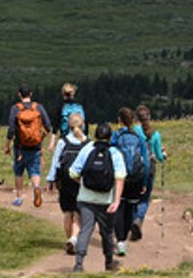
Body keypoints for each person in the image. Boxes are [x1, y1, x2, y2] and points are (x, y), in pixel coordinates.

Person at [72, 121, 127, 272]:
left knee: (86, 230)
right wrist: (116, 200)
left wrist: (83, 183)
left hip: (85, 199)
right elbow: (120, 177)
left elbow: (73, 172)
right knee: (107, 233)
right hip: (106, 200)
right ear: (110, 137)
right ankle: (109, 262)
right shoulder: (115, 153)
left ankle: (79, 263)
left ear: (95, 135)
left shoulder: (87, 150)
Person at [110, 107, 152, 255]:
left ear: (119, 120)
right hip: (136, 178)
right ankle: (125, 239)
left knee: (119, 207)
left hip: (120, 176)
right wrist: (145, 181)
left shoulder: (116, 136)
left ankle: (120, 241)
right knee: (131, 208)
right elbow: (146, 162)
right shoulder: (139, 137)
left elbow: (111, 156)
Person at [49, 108, 90, 254]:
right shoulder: (88, 143)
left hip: (65, 182)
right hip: (81, 182)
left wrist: (51, 179)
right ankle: (74, 238)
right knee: (78, 213)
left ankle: (69, 239)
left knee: (67, 212)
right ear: (83, 125)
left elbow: (56, 162)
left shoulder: (63, 142)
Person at [6, 85, 53, 207]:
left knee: (18, 171)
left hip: (20, 147)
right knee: (35, 171)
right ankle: (37, 188)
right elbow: (48, 126)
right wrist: (41, 138)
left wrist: (7, 145)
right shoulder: (38, 108)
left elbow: (11, 130)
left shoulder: (15, 109)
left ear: (19, 94)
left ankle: (18, 197)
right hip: (35, 146)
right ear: (31, 94)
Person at [133, 104, 166, 235]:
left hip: (136, 166)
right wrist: (164, 155)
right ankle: (138, 219)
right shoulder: (155, 134)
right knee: (145, 198)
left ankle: (132, 219)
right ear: (149, 117)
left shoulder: (135, 130)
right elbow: (159, 156)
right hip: (150, 166)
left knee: (134, 195)